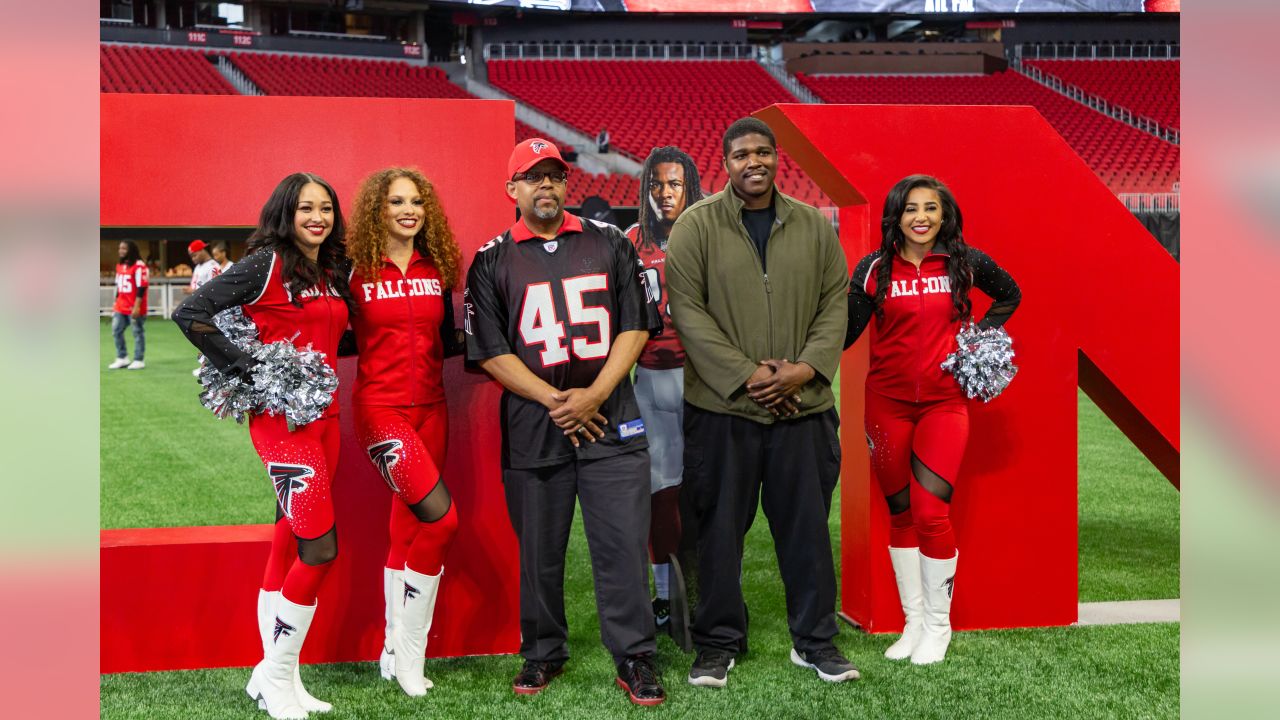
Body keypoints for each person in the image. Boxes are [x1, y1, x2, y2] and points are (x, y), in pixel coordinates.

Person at [464, 138, 666, 706]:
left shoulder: (608, 242)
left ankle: (635, 656)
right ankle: (542, 650)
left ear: (565, 183)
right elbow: (490, 348)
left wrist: (595, 395)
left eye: (554, 175)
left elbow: (636, 324)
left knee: (623, 544)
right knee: (538, 549)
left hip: (612, 418)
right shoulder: (492, 257)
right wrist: (560, 401)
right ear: (513, 190)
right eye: (533, 177)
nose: (546, 185)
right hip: (535, 424)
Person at [665, 117, 856, 687]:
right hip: (723, 412)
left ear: (778, 159)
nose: (756, 162)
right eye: (743, 153)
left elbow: (834, 304)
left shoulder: (814, 226)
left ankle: (815, 641)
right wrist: (750, 376)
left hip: (805, 409)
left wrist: (803, 370)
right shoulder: (695, 227)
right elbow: (688, 313)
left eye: (765, 152)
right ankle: (718, 643)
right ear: (724, 163)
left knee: (807, 530)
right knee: (718, 532)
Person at [173, 173, 356, 720]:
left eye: (325, 208)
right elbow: (191, 313)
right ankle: (275, 676)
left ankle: (277, 674)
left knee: (285, 539)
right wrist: (251, 368)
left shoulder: (328, 268)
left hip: (328, 419)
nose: (317, 217)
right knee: (319, 548)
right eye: (305, 208)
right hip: (282, 424)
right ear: (285, 213)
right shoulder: (265, 264)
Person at [844, 174, 1021, 665]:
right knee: (900, 514)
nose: (920, 217)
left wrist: (976, 339)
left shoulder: (965, 264)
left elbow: (1010, 294)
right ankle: (913, 622)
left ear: (944, 216)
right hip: (885, 405)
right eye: (910, 209)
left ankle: (939, 628)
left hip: (944, 405)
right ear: (895, 216)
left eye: (930, 208)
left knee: (930, 513)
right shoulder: (872, 269)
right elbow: (844, 332)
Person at [345, 167, 464, 697]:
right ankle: (412, 658)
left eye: (417, 199)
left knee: (408, 528)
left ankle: (392, 650)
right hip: (380, 410)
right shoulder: (351, 272)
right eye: (396, 201)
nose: (409, 209)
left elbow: (448, 338)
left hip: (434, 409)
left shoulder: (436, 267)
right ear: (378, 210)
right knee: (441, 523)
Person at [625, 146, 704, 651]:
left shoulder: (711, 232)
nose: (665, 194)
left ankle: (707, 587)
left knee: (710, 489)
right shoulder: (631, 241)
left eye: (674, 184)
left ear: (690, 186)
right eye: (656, 185)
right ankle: (660, 595)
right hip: (652, 377)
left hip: (704, 379)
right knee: (660, 492)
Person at [109, 240, 149, 370]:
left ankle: (139, 359)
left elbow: (141, 287)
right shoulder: (120, 265)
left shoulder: (139, 265)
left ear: (131, 250)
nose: (121, 251)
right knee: (116, 330)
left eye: (124, 249)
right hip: (121, 305)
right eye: (120, 248)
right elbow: (119, 287)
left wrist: (137, 306)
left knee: (137, 332)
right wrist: (115, 303)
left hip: (134, 306)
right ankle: (122, 357)